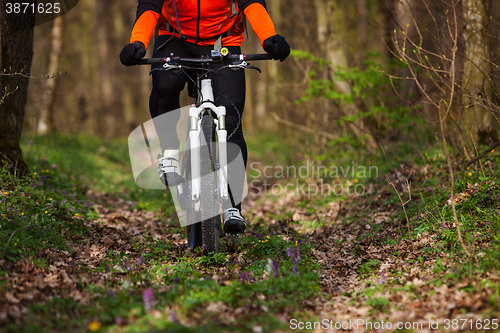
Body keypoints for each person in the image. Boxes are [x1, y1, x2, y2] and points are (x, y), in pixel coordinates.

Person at [120, 0, 290, 234]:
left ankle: (233, 206)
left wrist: (269, 38)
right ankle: (169, 150)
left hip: (223, 41)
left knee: (231, 120)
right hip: (175, 39)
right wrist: (137, 42)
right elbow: (149, 7)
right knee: (166, 86)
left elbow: (252, 4)